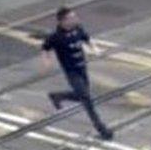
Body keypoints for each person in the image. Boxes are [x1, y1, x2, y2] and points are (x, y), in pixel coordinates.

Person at [42, 7, 114, 141]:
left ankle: (57, 96)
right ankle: (102, 129)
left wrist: (95, 49)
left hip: (82, 69)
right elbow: (45, 48)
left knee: (82, 96)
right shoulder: (56, 37)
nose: (75, 19)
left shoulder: (77, 29)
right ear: (63, 21)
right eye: (71, 18)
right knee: (87, 99)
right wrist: (47, 61)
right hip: (72, 72)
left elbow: (87, 38)